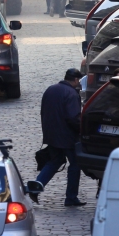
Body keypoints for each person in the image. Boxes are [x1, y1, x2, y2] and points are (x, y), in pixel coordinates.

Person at [36, 69, 84, 207]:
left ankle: (34, 188)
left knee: (54, 161)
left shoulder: (51, 89)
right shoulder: (72, 94)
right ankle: (71, 197)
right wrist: (81, 130)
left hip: (52, 134)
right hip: (67, 137)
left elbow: (43, 111)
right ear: (75, 80)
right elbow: (73, 118)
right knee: (75, 164)